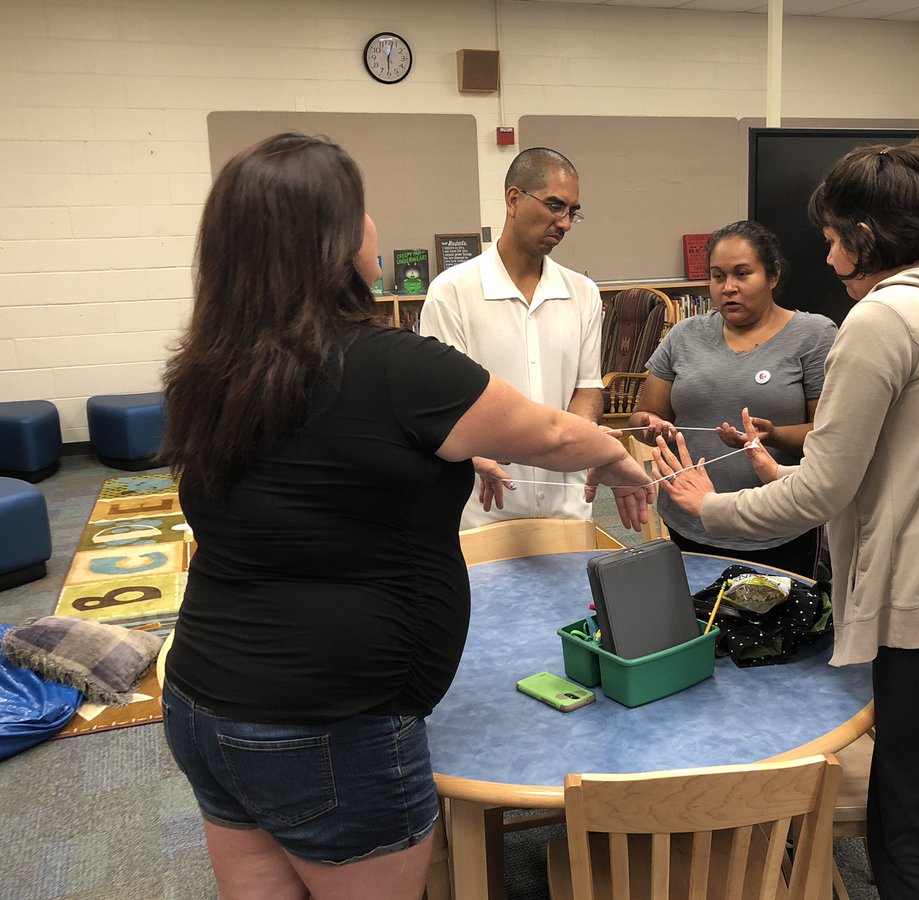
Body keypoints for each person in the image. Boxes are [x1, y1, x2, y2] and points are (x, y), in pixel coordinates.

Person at [157, 133, 652, 900]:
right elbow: (551, 430)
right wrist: (615, 456)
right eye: (362, 212)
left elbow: (333, 466)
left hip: (202, 705)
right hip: (329, 727)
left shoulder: (206, 367)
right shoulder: (390, 365)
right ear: (335, 239)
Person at [651, 143, 919, 900]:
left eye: (835, 236)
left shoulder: (882, 318)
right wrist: (792, 469)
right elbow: (904, 461)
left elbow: (821, 497)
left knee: (907, 831)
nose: (829, 254)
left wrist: (709, 507)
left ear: (866, 236)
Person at [627, 220, 836, 577]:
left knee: (776, 626)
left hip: (776, 524)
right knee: (695, 624)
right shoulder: (684, 335)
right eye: (718, 276)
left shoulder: (814, 335)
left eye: (742, 274)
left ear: (772, 275)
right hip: (690, 521)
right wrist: (649, 426)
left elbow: (830, 434)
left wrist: (774, 435)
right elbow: (642, 415)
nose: (728, 288)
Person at [421, 147, 604, 528]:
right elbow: (443, 404)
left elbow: (587, 389)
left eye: (572, 211)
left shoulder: (583, 292)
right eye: (555, 206)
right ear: (514, 199)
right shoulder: (452, 291)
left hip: (565, 502)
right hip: (484, 502)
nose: (565, 223)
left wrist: (571, 443)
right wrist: (481, 454)